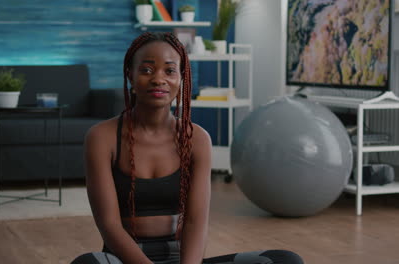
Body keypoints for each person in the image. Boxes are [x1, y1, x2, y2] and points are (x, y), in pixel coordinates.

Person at [72, 32, 304, 264]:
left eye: (170, 70)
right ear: (130, 76)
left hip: (182, 260)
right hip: (123, 261)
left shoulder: (197, 139)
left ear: (181, 78)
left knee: (285, 260)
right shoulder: (102, 137)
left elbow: (195, 221)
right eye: (147, 70)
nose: (158, 79)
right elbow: (109, 225)